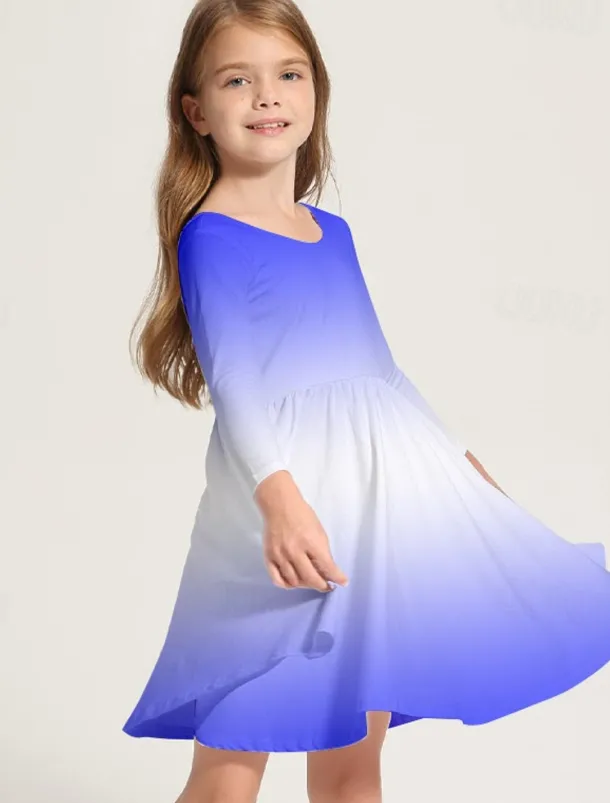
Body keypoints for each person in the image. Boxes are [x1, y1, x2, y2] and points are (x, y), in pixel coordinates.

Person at [122, 1, 610, 801]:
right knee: (230, 769)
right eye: (237, 80)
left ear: (316, 91)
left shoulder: (333, 234)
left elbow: (381, 374)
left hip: (373, 514)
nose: (267, 95)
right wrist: (281, 502)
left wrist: (459, 464)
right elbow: (236, 385)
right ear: (196, 111)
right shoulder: (211, 236)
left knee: (353, 763)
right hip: (281, 519)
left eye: (288, 74)